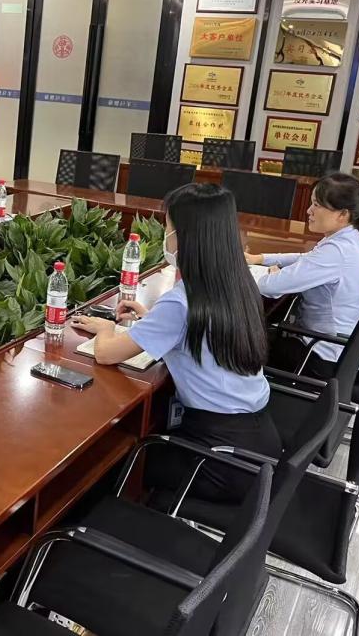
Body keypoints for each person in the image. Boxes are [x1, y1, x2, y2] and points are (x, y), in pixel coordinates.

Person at [71, 183, 280, 501]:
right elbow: (199, 330)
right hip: (258, 444)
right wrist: (152, 319)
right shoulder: (239, 282)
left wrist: (105, 328)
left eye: (168, 228)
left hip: (218, 459)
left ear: (186, 237)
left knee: (103, 467)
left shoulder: (183, 300)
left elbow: (106, 354)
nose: (166, 237)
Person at [246, 172, 359, 378]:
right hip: (347, 351)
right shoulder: (350, 236)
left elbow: (268, 287)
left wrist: (274, 275)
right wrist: (261, 258)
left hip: (326, 357)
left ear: (342, 214)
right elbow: (307, 258)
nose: (308, 210)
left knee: (244, 343)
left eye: (316, 205)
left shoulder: (337, 251)